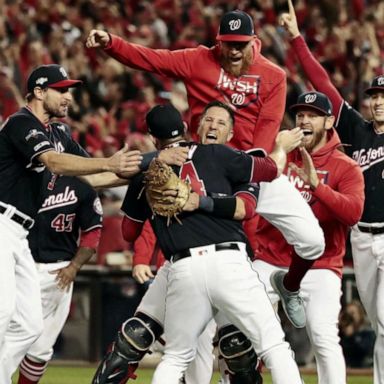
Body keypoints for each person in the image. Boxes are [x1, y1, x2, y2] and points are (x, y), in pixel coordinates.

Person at [93, 100, 324, 384]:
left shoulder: (146, 171)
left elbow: (129, 231)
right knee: (273, 346)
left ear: (153, 137)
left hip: (183, 267)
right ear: (191, 127)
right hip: (227, 260)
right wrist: (281, 148)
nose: (213, 126)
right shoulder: (218, 154)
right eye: (209, 120)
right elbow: (269, 171)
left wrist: (163, 197)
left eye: (221, 122)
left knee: (175, 357)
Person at [0, 63, 183, 383]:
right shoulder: (20, 123)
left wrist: (153, 160)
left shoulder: (58, 133)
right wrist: (108, 160)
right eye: (62, 90)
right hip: (1, 223)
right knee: (3, 315)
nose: (69, 96)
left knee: (29, 327)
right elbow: (55, 162)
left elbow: (97, 175)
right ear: (40, 92)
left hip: (18, 234)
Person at [281, 1, 384, 382]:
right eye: (374, 95)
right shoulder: (356, 130)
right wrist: (295, 39)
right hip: (360, 238)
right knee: (377, 320)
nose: (377, 101)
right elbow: (322, 85)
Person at [251, 91, 364, 384]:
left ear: (328, 121)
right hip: (273, 259)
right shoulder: (279, 157)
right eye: (300, 115)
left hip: (321, 266)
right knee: (248, 331)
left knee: (324, 337)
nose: (304, 121)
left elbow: (352, 214)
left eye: (312, 115)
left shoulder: (345, 166)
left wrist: (317, 186)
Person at [85, 10, 286, 153]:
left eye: (240, 45)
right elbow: (151, 59)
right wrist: (112, 43)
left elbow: (268, 126)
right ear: (219, 41)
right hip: (203, 156)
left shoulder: (274, 76)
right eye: (228, 44)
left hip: (246, 160)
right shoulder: (197, 60)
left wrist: (254, 166)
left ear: (253, 40)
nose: (234, 50)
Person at [16, 173, 103, 384]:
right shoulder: (18, 176)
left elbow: (92, 232)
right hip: (18, 265)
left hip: (57, 272)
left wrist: (74, 266)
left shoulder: (81, 184)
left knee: (41, 347)